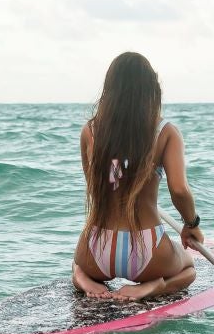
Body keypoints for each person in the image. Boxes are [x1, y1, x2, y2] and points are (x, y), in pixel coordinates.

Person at [72, 52, 204, 301]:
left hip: (96, 247)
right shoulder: (166, 132)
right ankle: (151, 287)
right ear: (150, 90)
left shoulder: (89, 131)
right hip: (147, 250)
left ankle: (83, 279)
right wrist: (191, 224)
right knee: (189, 269)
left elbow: (97, 187)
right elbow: (179, 190)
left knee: (77, 264)